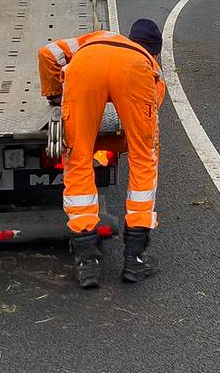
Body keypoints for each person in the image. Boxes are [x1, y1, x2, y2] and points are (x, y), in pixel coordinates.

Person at [37, 19, 165, 288]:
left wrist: (55, 95)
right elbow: (149, 115)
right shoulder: (148, 62)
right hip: (134, 73)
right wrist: (123, 142)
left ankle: (87, 262)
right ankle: (135, 260)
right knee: (144, 159)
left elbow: (47, 54)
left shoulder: (97, 38)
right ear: (153, 51)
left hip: (84, 68)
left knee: (78, 158)